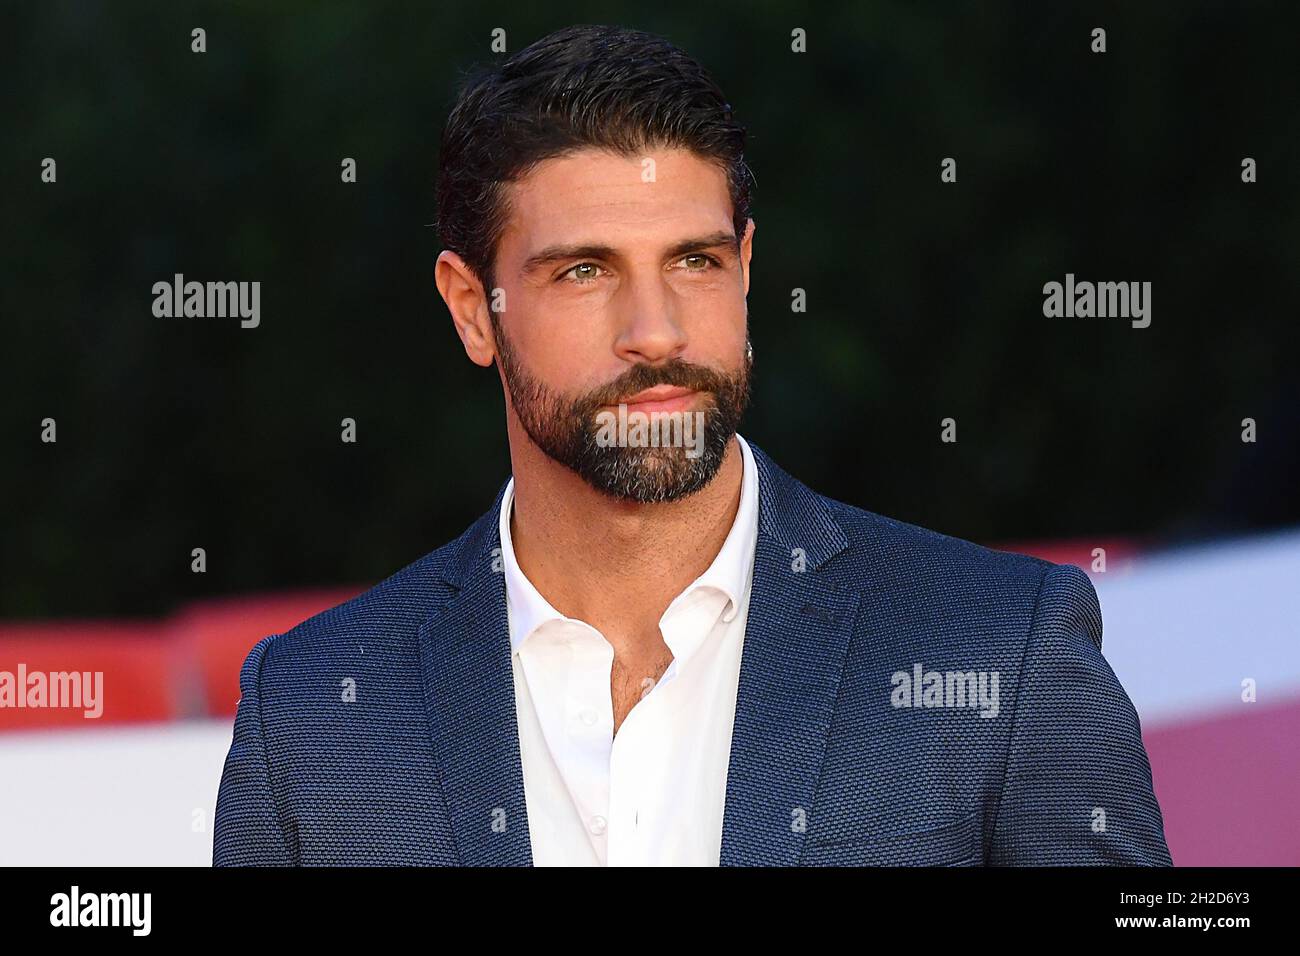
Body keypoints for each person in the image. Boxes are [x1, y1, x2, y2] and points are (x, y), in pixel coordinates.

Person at [214, 24, 1171, 866]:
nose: (658, 331)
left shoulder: (1002, 652)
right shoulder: (311, 718)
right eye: (585, 272)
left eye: (694, 262)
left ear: (746, 269)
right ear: (474, 309)